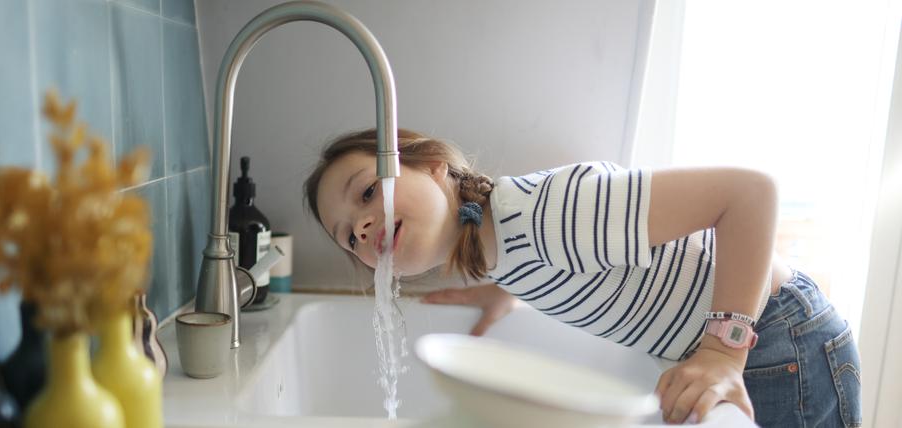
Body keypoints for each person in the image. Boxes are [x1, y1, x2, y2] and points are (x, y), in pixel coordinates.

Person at [304, 128, 862, 427]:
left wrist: (724, 352)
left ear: (432, 165)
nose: (363, 226)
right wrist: (503, 292)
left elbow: (751, 192)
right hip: (756, 339)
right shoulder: (504, 240)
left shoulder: (548, 212)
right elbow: (560, 262)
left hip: (780, 338)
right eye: (348, 236)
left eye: (368, 191)